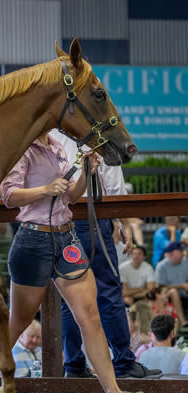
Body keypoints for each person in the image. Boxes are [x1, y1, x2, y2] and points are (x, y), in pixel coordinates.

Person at [0, 133, 147, 393]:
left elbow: (70, 196)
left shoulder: (55, 146)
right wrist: (45, 189)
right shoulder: (21, 148)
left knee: (90, 315)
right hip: (33, 238)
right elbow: (8, 196)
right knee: (19, 320)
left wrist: (85, 173)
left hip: (66, 237)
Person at [53, 129, 161, 380]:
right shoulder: (96, 133)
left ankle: (74, 366)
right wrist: (122, 221)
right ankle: (123, 362)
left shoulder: (50, 133)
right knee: (108, 289)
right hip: (90, 216)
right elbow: (112, 183)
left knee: (69, 294)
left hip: (59, 218)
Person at [154, 241, 188, 327]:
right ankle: (183, 322)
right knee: (173, 291)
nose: (183, 253)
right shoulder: (161, 266)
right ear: (171, 254)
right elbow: (159, 287)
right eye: (180, 251)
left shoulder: (185, 262)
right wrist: (181, 286)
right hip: (167, 296)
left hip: (184, 294)